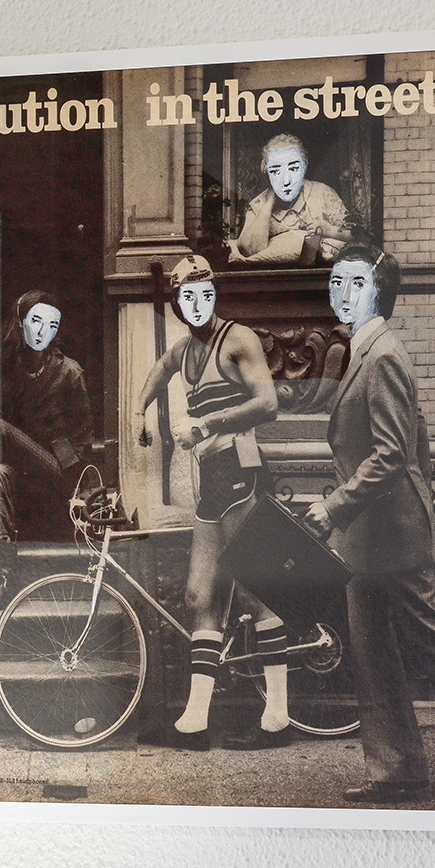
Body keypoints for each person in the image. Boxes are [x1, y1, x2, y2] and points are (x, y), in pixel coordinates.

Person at [302, 245, 435, 804]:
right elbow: (409, 449)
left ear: (378, 292)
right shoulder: (363, 351)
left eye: (355, 283)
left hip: (393, 536)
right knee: (372, 654)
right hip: (368, 539)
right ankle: (396, 770)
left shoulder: (381, 355)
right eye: (335, 281)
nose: (341, 292)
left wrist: (334, 507)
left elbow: (390, 455)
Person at [132, 256, 295, 744]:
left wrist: (205, 424)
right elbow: (159, 372)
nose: (198, 304)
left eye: (206, 294)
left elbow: (268, 403)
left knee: (252, 591)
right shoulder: (184, 350)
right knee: (198, 595)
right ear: (177, 304)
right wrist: (140, 412)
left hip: (241, 471)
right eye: (188, 297)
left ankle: (278, 718)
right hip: (213, 480)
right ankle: (195, 721)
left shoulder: (237, 338)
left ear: (215, 295)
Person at [0, 292, 91, 612]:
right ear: (20, 323)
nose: (43, 331)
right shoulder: (12, 370)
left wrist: (69, 474)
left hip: (60, 474)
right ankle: (7, 576)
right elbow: (12, 440)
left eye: (52, 324)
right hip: (26, 477)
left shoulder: (70, 372)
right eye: (36, 321)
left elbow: (83, 442)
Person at [229, 131, 353, 265]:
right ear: (266, 171)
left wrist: (328, 230)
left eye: (293, 169)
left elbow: (355, 236)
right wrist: (269, 202)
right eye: (275, 171)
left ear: (304, 165)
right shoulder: (258, 204)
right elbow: (248, 250)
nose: (286, 181)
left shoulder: (323, 193)